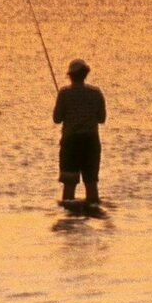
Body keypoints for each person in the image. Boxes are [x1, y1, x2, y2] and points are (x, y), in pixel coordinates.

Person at [53, 59, 106, 204]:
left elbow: (57, 119)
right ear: (85, 74)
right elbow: (102, 119)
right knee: (91, 184)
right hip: (91, 142)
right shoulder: (96, 93)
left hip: (71, 143)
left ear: (71, 75)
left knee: (69, 186)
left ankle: (70, 217)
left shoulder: (64, 94)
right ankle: (93, 214)